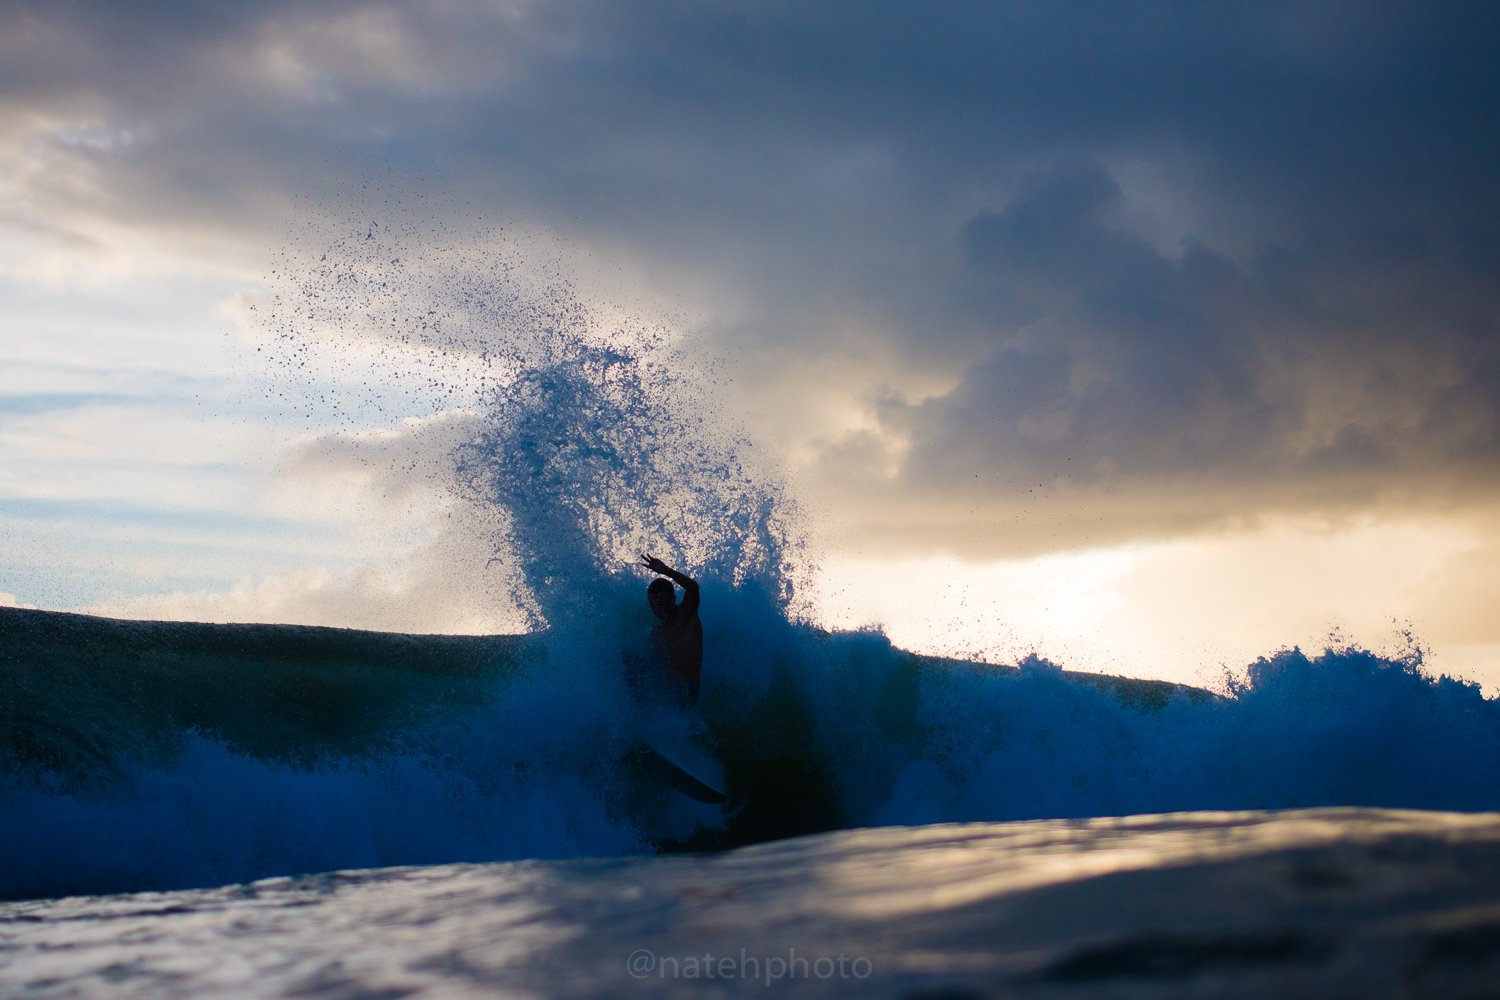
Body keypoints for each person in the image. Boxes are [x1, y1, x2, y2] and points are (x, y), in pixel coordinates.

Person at [640, 553, 702, 708]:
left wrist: (666, 571)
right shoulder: (657, 633)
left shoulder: (685, 614)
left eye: (661, 603)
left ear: (673, 599)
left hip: (687, 690)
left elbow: (693, 588)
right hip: (665, 692)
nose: (658, 609)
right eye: (653, 605)